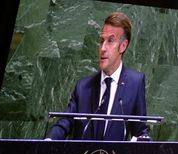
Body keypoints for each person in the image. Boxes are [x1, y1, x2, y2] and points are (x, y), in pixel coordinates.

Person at [46, 12, 149, 141]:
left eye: (110, 41)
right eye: (102, 41)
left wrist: (144, 141)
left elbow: (140, 130)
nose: (103, 48)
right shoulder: (83, 87)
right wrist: (49, 140)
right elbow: (65, 122)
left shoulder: (135, 83)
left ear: (123, 46)